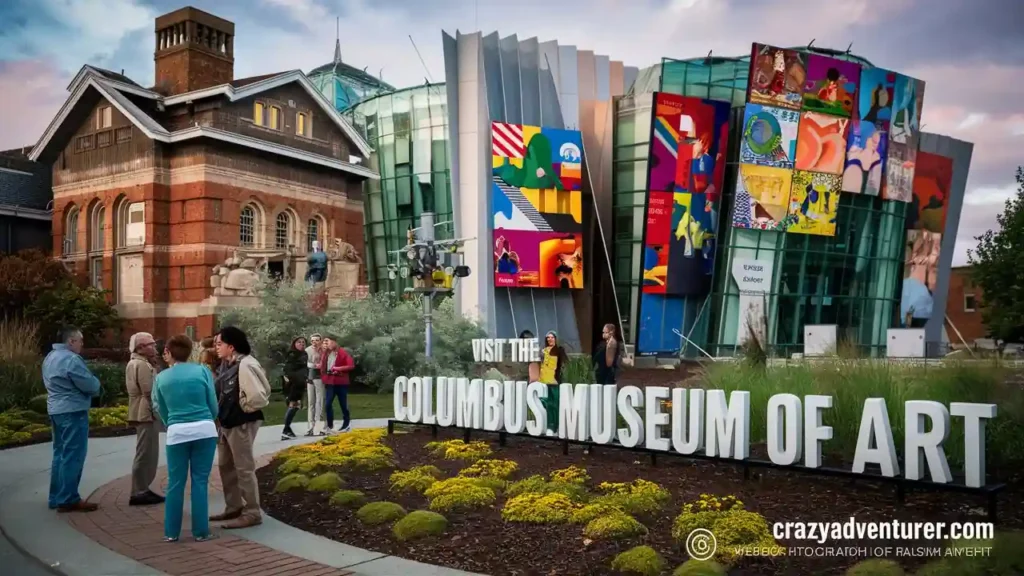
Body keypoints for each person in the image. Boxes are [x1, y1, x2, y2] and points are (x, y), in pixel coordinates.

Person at [152, 335, 219, 542]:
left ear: (169, 353)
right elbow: (213, 404)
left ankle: (171, 532)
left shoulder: (161, 378)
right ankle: (201, 531)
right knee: (200, 480)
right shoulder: (202, 371)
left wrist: (171, 421)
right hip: (204, 429)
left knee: (175, 482)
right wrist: (208, 417)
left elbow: (159, 407)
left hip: (177, 431)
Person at [210, 326, 270, 529]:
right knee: (226, 466)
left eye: (219, 344)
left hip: (240, 422)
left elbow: (259, 395)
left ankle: (252, 512)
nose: (215, 347)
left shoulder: (246, 364)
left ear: (231, 346)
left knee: (243, 468)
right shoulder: (227, 365)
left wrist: (243, 408)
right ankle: (234, 506)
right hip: (226, 422)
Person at [42, 326, 101, 512]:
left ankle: (56, 497)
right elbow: (89, 384)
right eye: (80, 341)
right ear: (71, 341)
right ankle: (68, 498)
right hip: (73, 410)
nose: (82, 344)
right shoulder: (71, 359)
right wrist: (97, 384)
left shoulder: (50, 357)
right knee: (73, 455)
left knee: (60, 453)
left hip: (55, 409)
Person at [125, 332, 165, 506]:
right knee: (145, 452)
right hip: (145, 413)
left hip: (142, 411)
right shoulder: (141, 365)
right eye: (150, 344)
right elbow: (149, 391)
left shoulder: (138, 363)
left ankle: (141, 489)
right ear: (140, 348)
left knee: (146, 451)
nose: (154, 347)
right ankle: (139, 491)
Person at [319, 335, 355, 434]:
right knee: (327, 404)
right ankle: (330, 425)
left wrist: (337, 369)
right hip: (330, 382)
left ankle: (346, 424)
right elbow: (323, 368)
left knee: (343, 404)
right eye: (325, 342)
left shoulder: (343, 352)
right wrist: (324, 377)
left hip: (341, 383)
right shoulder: (326, 353)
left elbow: (351, 365)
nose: (326, 344)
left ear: (334, 342)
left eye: (328, 342)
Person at [538, 331, 568, 435]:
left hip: (554, 381)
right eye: (548, 338)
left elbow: (564, 364)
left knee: (556, 404)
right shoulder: (543, 351)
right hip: (544, 381)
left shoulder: (559, 350)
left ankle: (557, 426)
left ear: (555, 338)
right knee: (547, 404)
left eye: (552, 337)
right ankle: (549, 425)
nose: (550, 339)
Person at [281, 336, 308, 440]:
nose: (301, 344)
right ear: (294, 344)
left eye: (303, 342)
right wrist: (296, 379)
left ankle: (287, 429)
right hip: (293, 384)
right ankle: (286, 430)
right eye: (299, 342)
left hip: (301, 383)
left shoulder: (304, 354)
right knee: (293, 404)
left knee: (296, 405)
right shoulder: (292, 354)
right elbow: (287, 370)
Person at [305, 333, 325, 436]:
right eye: (312, 340)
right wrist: (313, 365)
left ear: (320, 341)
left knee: (319, 402)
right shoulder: (307, 350)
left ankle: (320, 428)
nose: (314, 342)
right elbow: (305, 364)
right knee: (311, 403)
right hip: (310, 377)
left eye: (317, 340)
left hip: (320, 378)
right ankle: (310, 428)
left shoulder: (324, 350)